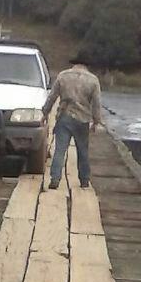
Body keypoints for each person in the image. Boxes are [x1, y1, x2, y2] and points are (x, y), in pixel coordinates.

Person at [43, 59, 103, 190]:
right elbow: (96, 103)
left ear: (73, 64)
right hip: (83, 119)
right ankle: (84, 180)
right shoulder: (93, 80)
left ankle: (55, 178)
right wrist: (96, 121)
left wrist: (45, 112)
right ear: (86, 65)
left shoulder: (63, 76)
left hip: (64, 116)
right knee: (82, 150)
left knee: (60, 149)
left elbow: (52, 96)